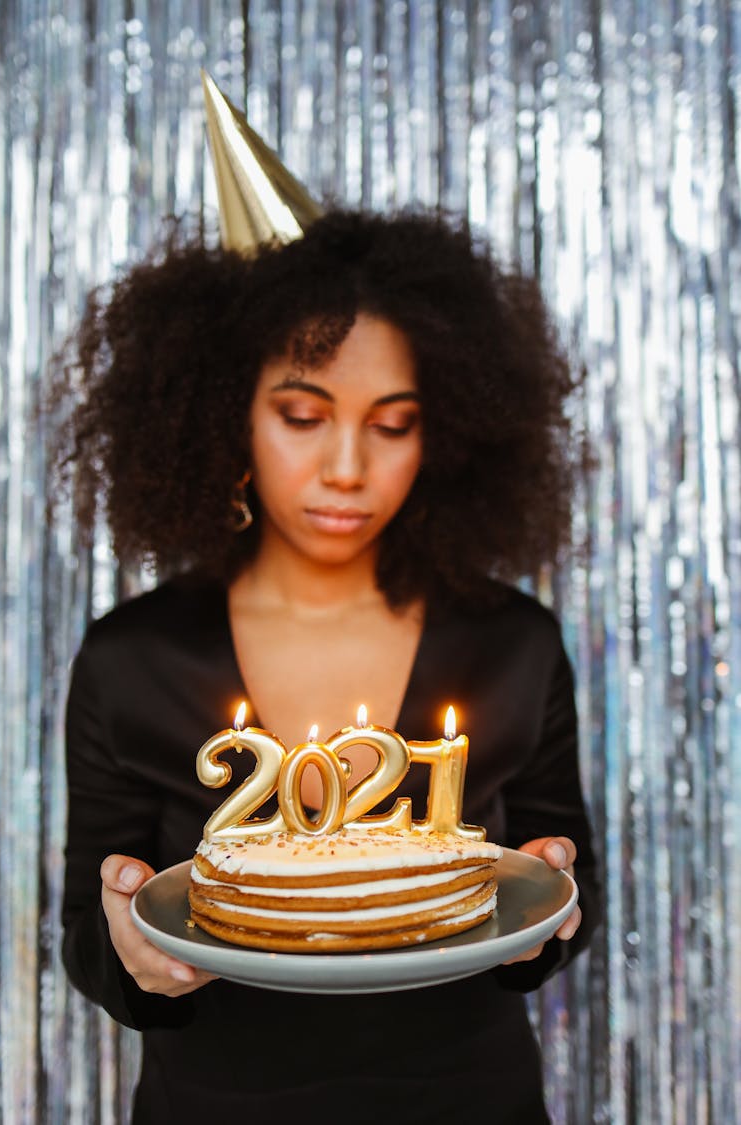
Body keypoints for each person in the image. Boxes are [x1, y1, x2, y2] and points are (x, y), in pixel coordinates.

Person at [51, 207, 600, 1123]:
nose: (347, 467)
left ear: (445, 434)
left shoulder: (516, 642)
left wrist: (545, 922)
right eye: (303, 415)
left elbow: (566, 882)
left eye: (393, 425)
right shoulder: (132, 657)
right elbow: (86, 926)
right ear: (227, 409)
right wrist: (133, 959)